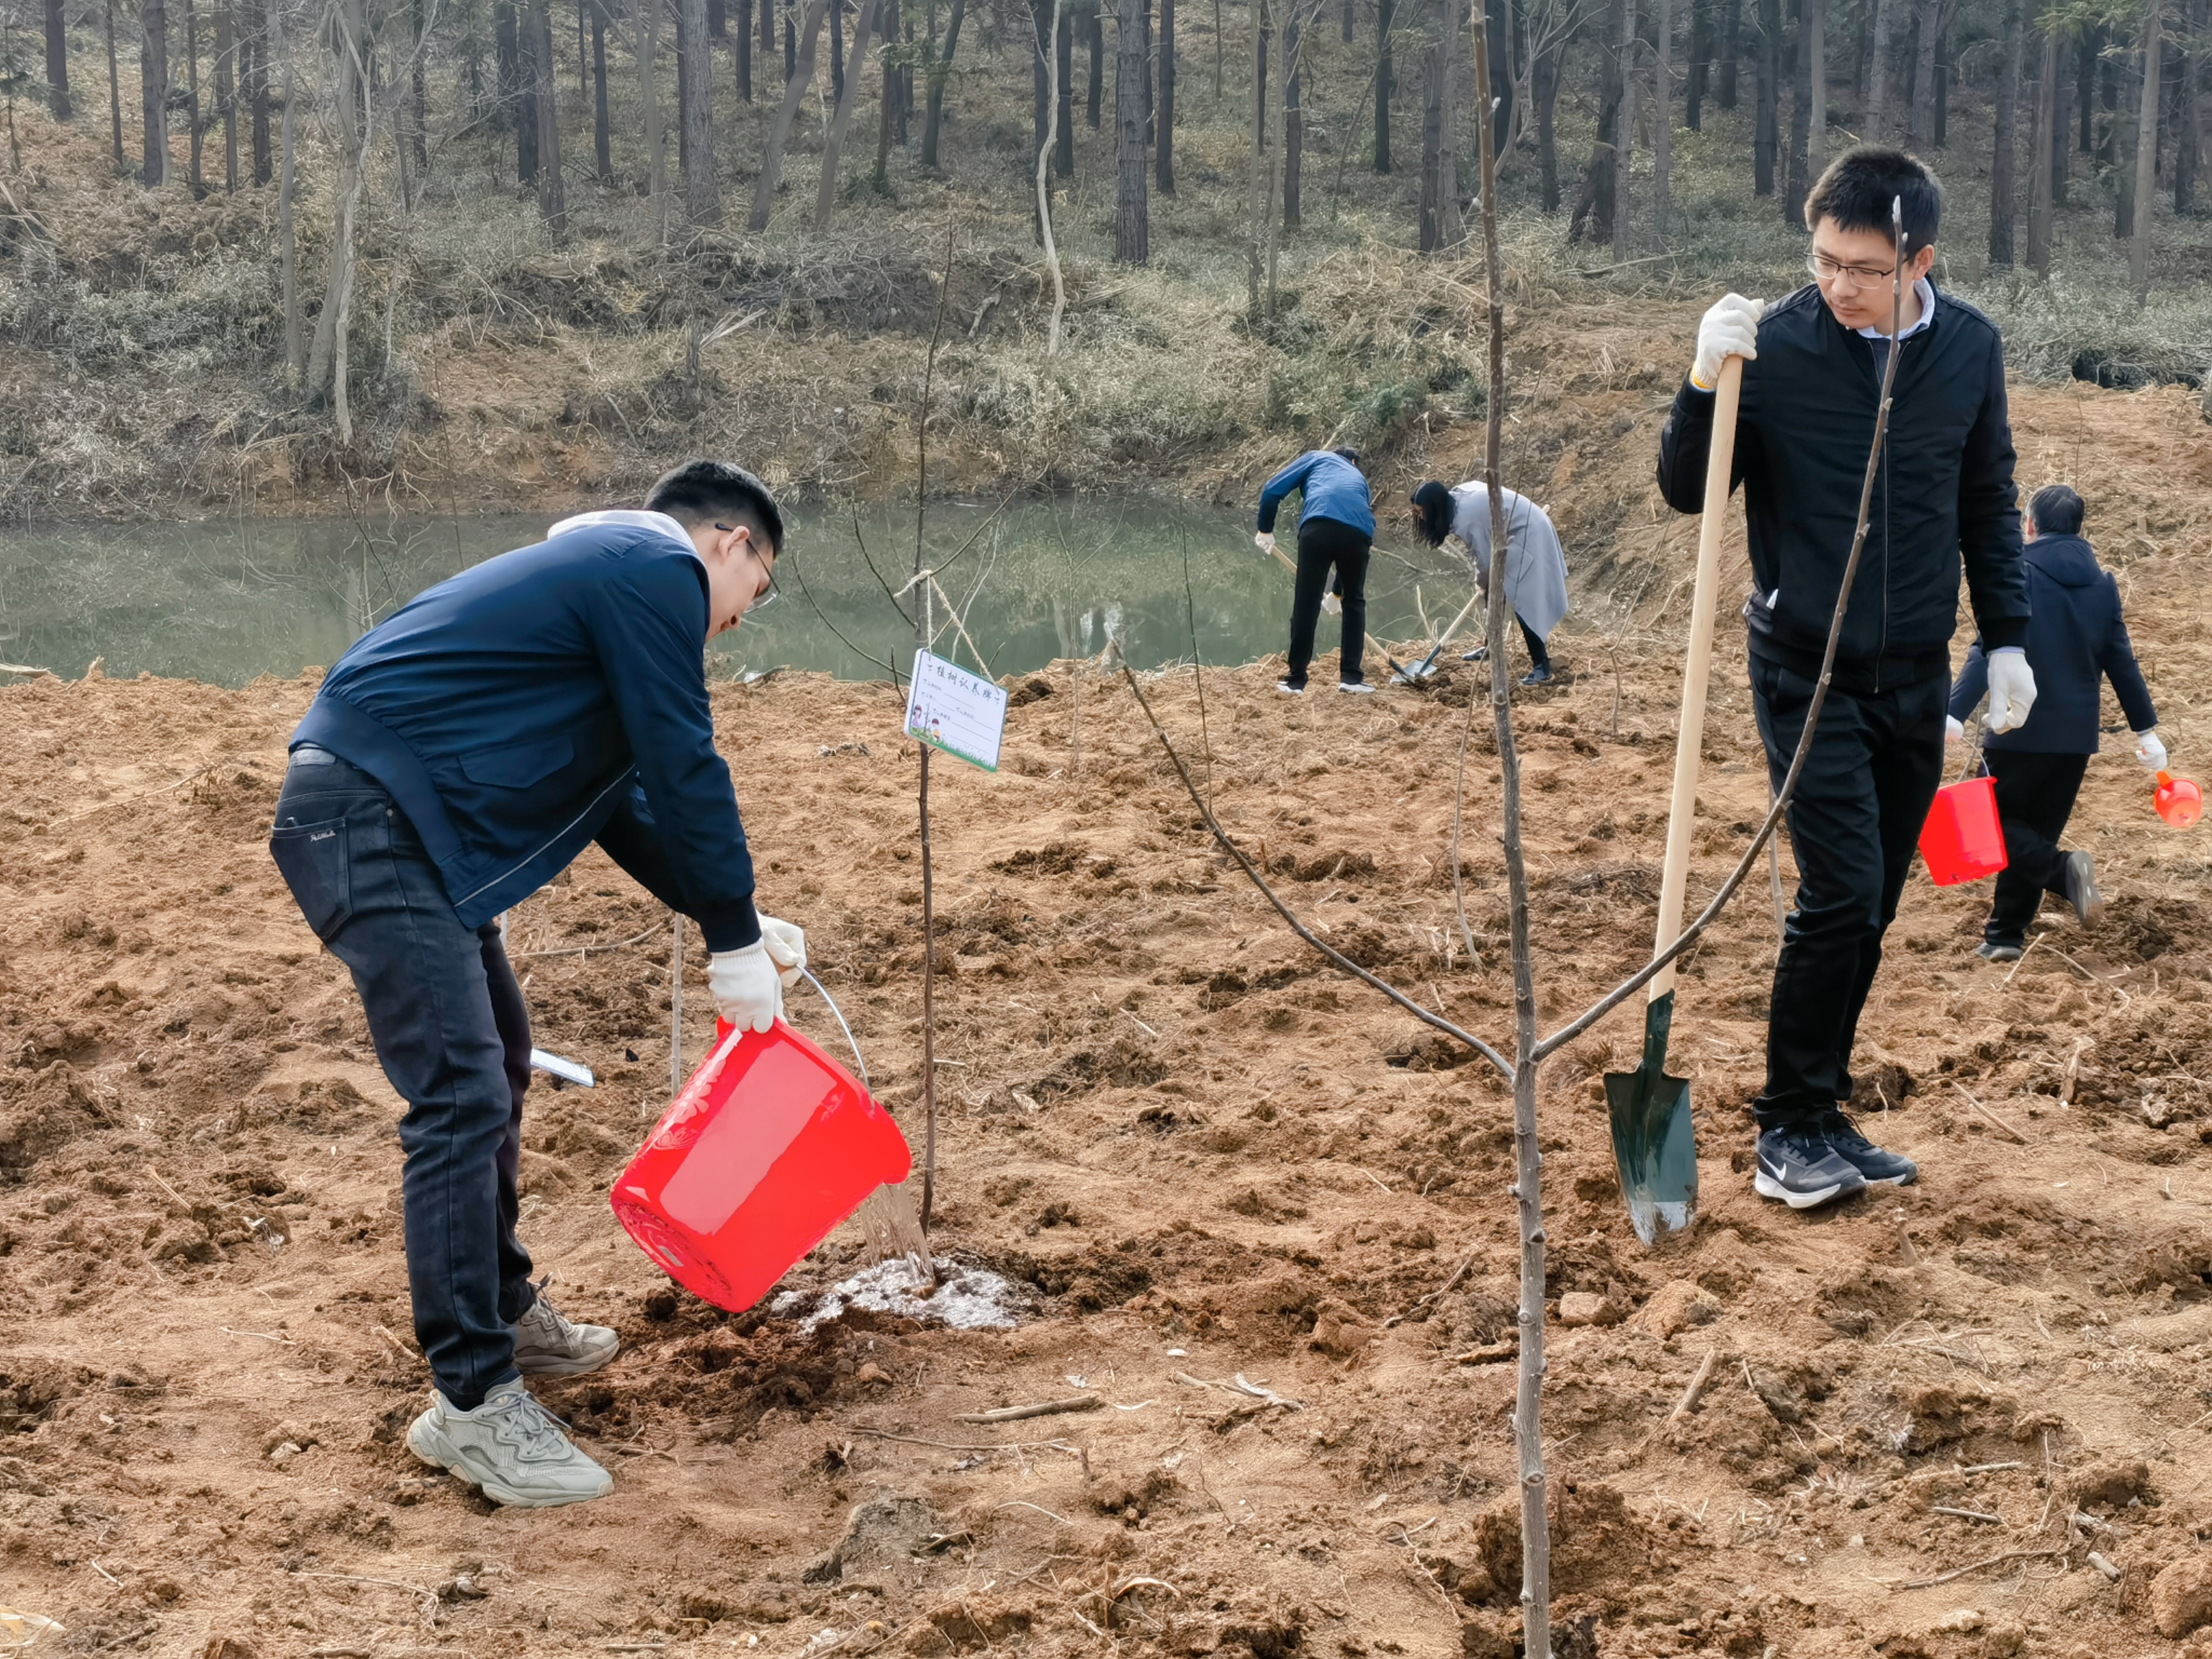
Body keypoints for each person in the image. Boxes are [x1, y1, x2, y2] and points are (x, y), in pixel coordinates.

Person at [268, 460, 807, 1507]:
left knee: (501, 1060)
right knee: (461, 1092)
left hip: (405, 826)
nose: (743, 615)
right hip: (373, 820)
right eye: (759, 586)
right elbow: (684, 758)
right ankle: (471, 1404)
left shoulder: (601, 581)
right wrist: (730, 936)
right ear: (732, 543)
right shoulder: (653, 565)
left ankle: (505, 1312)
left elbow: (625, 805)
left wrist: (734, 918)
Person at [1655, 145, 2035, 1213]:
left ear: (1920, 262)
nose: (1837, 285)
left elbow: (1986, 498)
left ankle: (1822, 1112)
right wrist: (1701, 383)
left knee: (1874, 901)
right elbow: (1688, 491)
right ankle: (1784, 1130)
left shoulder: (1969, 351)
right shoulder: (1773, 348)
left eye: (1864, 268)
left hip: (1916, 674)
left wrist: (2007, 636)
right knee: (1838, 891)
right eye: (1822, 260)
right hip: (1803, 669)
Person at [1947, 483, 2164, 961]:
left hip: (2017, 728)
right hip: (2075, 739)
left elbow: (1989, 648)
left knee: (1993, 825)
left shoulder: (2018, 574)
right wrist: (2146, 730)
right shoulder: (2103, 585)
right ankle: (2005, 936)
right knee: (2032, 833)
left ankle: (2062, 872)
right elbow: (2121, 662)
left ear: (2030, 525)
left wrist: (1952, 711)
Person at [1408, 480, 1570, 685]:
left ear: (1434, 507)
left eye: (1421, 512)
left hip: (1529, 532)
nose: (1421, 517)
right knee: (1494, 593)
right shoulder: (1455, 500)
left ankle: (1542, 668)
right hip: (1514, 529)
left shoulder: (1467, 519)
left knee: (1525, 599)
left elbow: (1484, 559)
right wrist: (1487, 584)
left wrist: (1482, 581)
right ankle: (1491, 647)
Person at [1255, 446, 1377, 695]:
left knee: (1307, 603)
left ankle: (1295, 680)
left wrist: (1265, 529)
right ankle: (1351, 678)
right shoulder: (1360, 481)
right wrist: (1339, 593)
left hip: (1317, 526)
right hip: (1359, 535)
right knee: (1354, 602)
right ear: (1354, 462)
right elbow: (1351, 525)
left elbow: (1272, 490)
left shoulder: (1318, 457)